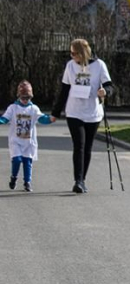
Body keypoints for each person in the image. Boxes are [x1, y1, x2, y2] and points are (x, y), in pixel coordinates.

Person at [52, 38, 113, 194]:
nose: (72, 56)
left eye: (74, 53)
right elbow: (64, 90)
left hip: (93, 113)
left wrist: (105, 92)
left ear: (83, 53)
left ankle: (83, 180)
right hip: (74, 112)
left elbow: (109, 85)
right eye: (71, 53)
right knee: (78, 145)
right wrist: (55, 112)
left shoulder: (99, 65)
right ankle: (77, 181)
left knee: (87, 148)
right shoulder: (70, 66)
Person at [1, 81, 56, 192]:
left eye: (28, 97)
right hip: (15, 140)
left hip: (29, 141)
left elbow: (42, 118)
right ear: (19, 96)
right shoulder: (13, 108)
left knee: (27, 161)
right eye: (23, 97)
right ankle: (14, 177)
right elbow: (5, 118)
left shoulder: (33, 109)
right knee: (16, 160)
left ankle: (27, 182)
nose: (25, 100)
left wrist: (50, 119)